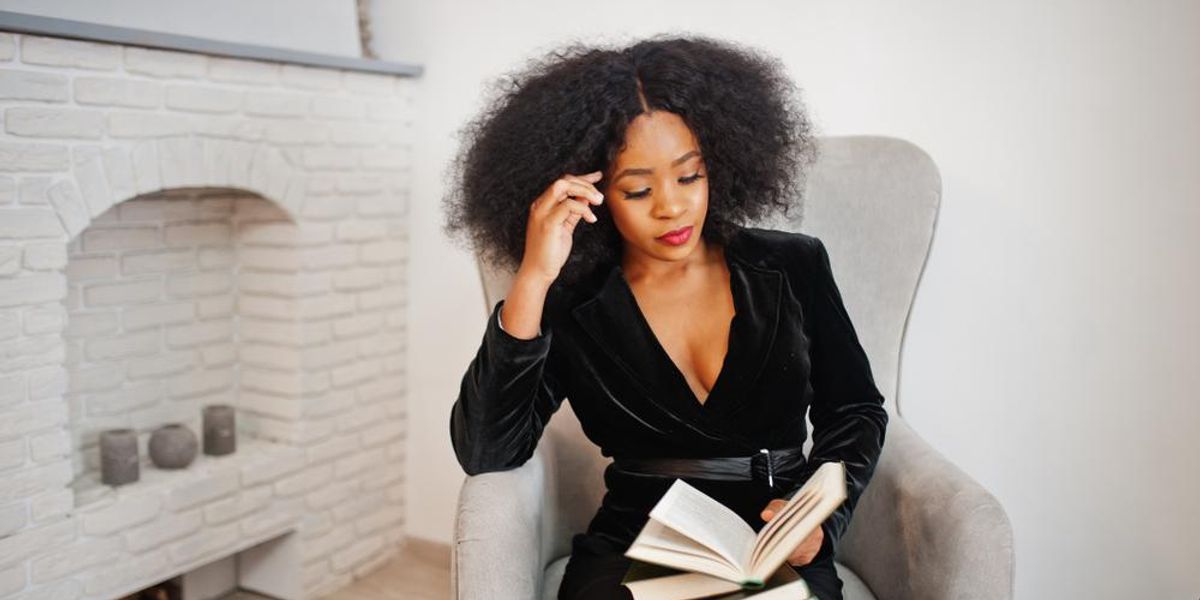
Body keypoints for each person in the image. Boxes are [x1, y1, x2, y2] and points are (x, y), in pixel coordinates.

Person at [443, 35, 888, 600]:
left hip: (772, 535)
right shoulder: (572, 300)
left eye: (690, 176)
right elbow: (487, 449)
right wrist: (532, 279)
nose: (672, 207)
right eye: (638, 189)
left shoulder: (792, 265)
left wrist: (818, 519)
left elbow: (854, 409)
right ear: (591, 191)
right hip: (638, 541)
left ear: (720, 164)